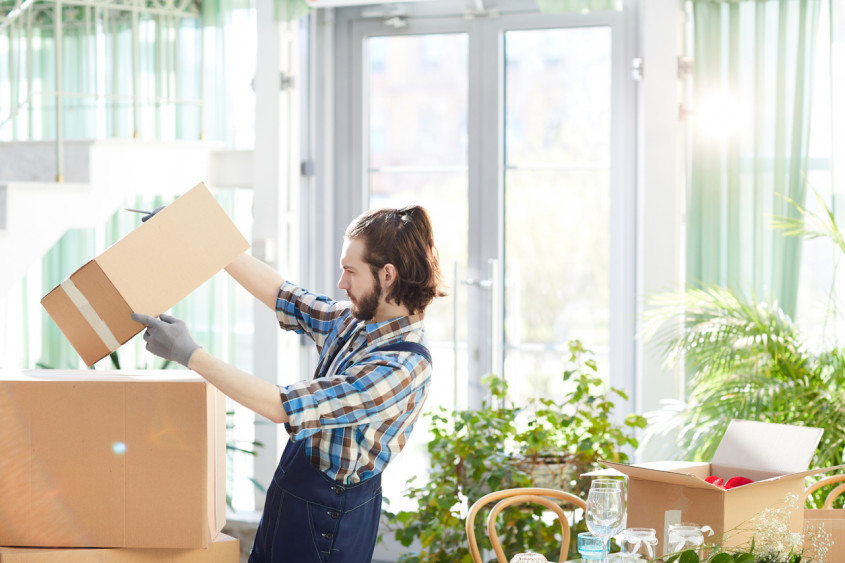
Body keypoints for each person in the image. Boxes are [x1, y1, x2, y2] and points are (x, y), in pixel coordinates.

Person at [132, 205, 444, 563]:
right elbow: (285, 295)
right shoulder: (357, 322)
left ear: (387, 275)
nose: (342, 284)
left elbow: (281, 406)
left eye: (350, 271)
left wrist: (190, 354)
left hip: (328, 526)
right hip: (291, 502)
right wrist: (204, 237)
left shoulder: (400, 368)